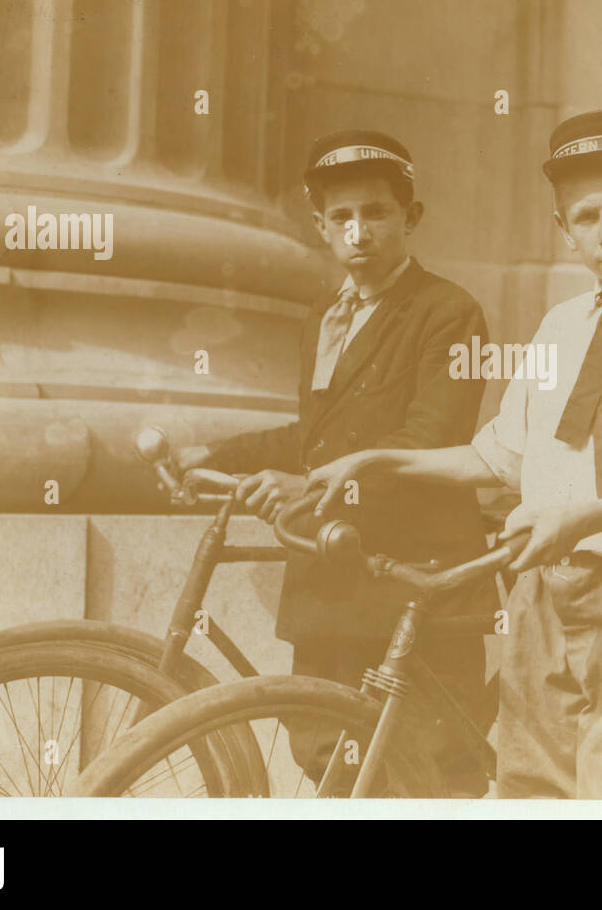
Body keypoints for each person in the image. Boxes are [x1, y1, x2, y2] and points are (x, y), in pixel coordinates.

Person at [306, 109, 602, 799]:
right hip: (538, 597)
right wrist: (373, 463)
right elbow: (495, 459)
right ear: (562, 227)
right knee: (530, 787)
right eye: (587, 215)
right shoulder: (558, 327)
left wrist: (584, 517)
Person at [173, 130, 495, 795]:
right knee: (325, 750)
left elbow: (428, 439)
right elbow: (316, 437)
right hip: (330, 574)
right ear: (320, 226)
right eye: (341, 217)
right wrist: (215, 456)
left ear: (411, 217)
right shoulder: (324, 316)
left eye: (376, 213)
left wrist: (308, 484)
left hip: (413, 578)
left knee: (424, 770)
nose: (359, 232)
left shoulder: (448, 311)